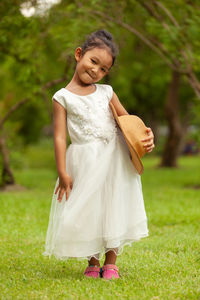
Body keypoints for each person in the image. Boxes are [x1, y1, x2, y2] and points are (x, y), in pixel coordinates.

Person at [43, 29, 155, 280]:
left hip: (113, 157)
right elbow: (60, 136)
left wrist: (146, 137)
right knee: (88, 209)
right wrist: (62, 171)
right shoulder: (62, 97)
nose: (96, 71)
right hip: (84, 159)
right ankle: (93, 260)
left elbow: (128, 121)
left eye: (104, 69)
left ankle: (111, 261)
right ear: (79, 54)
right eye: (93, 62)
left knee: (113, 205)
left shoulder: (106, 92)